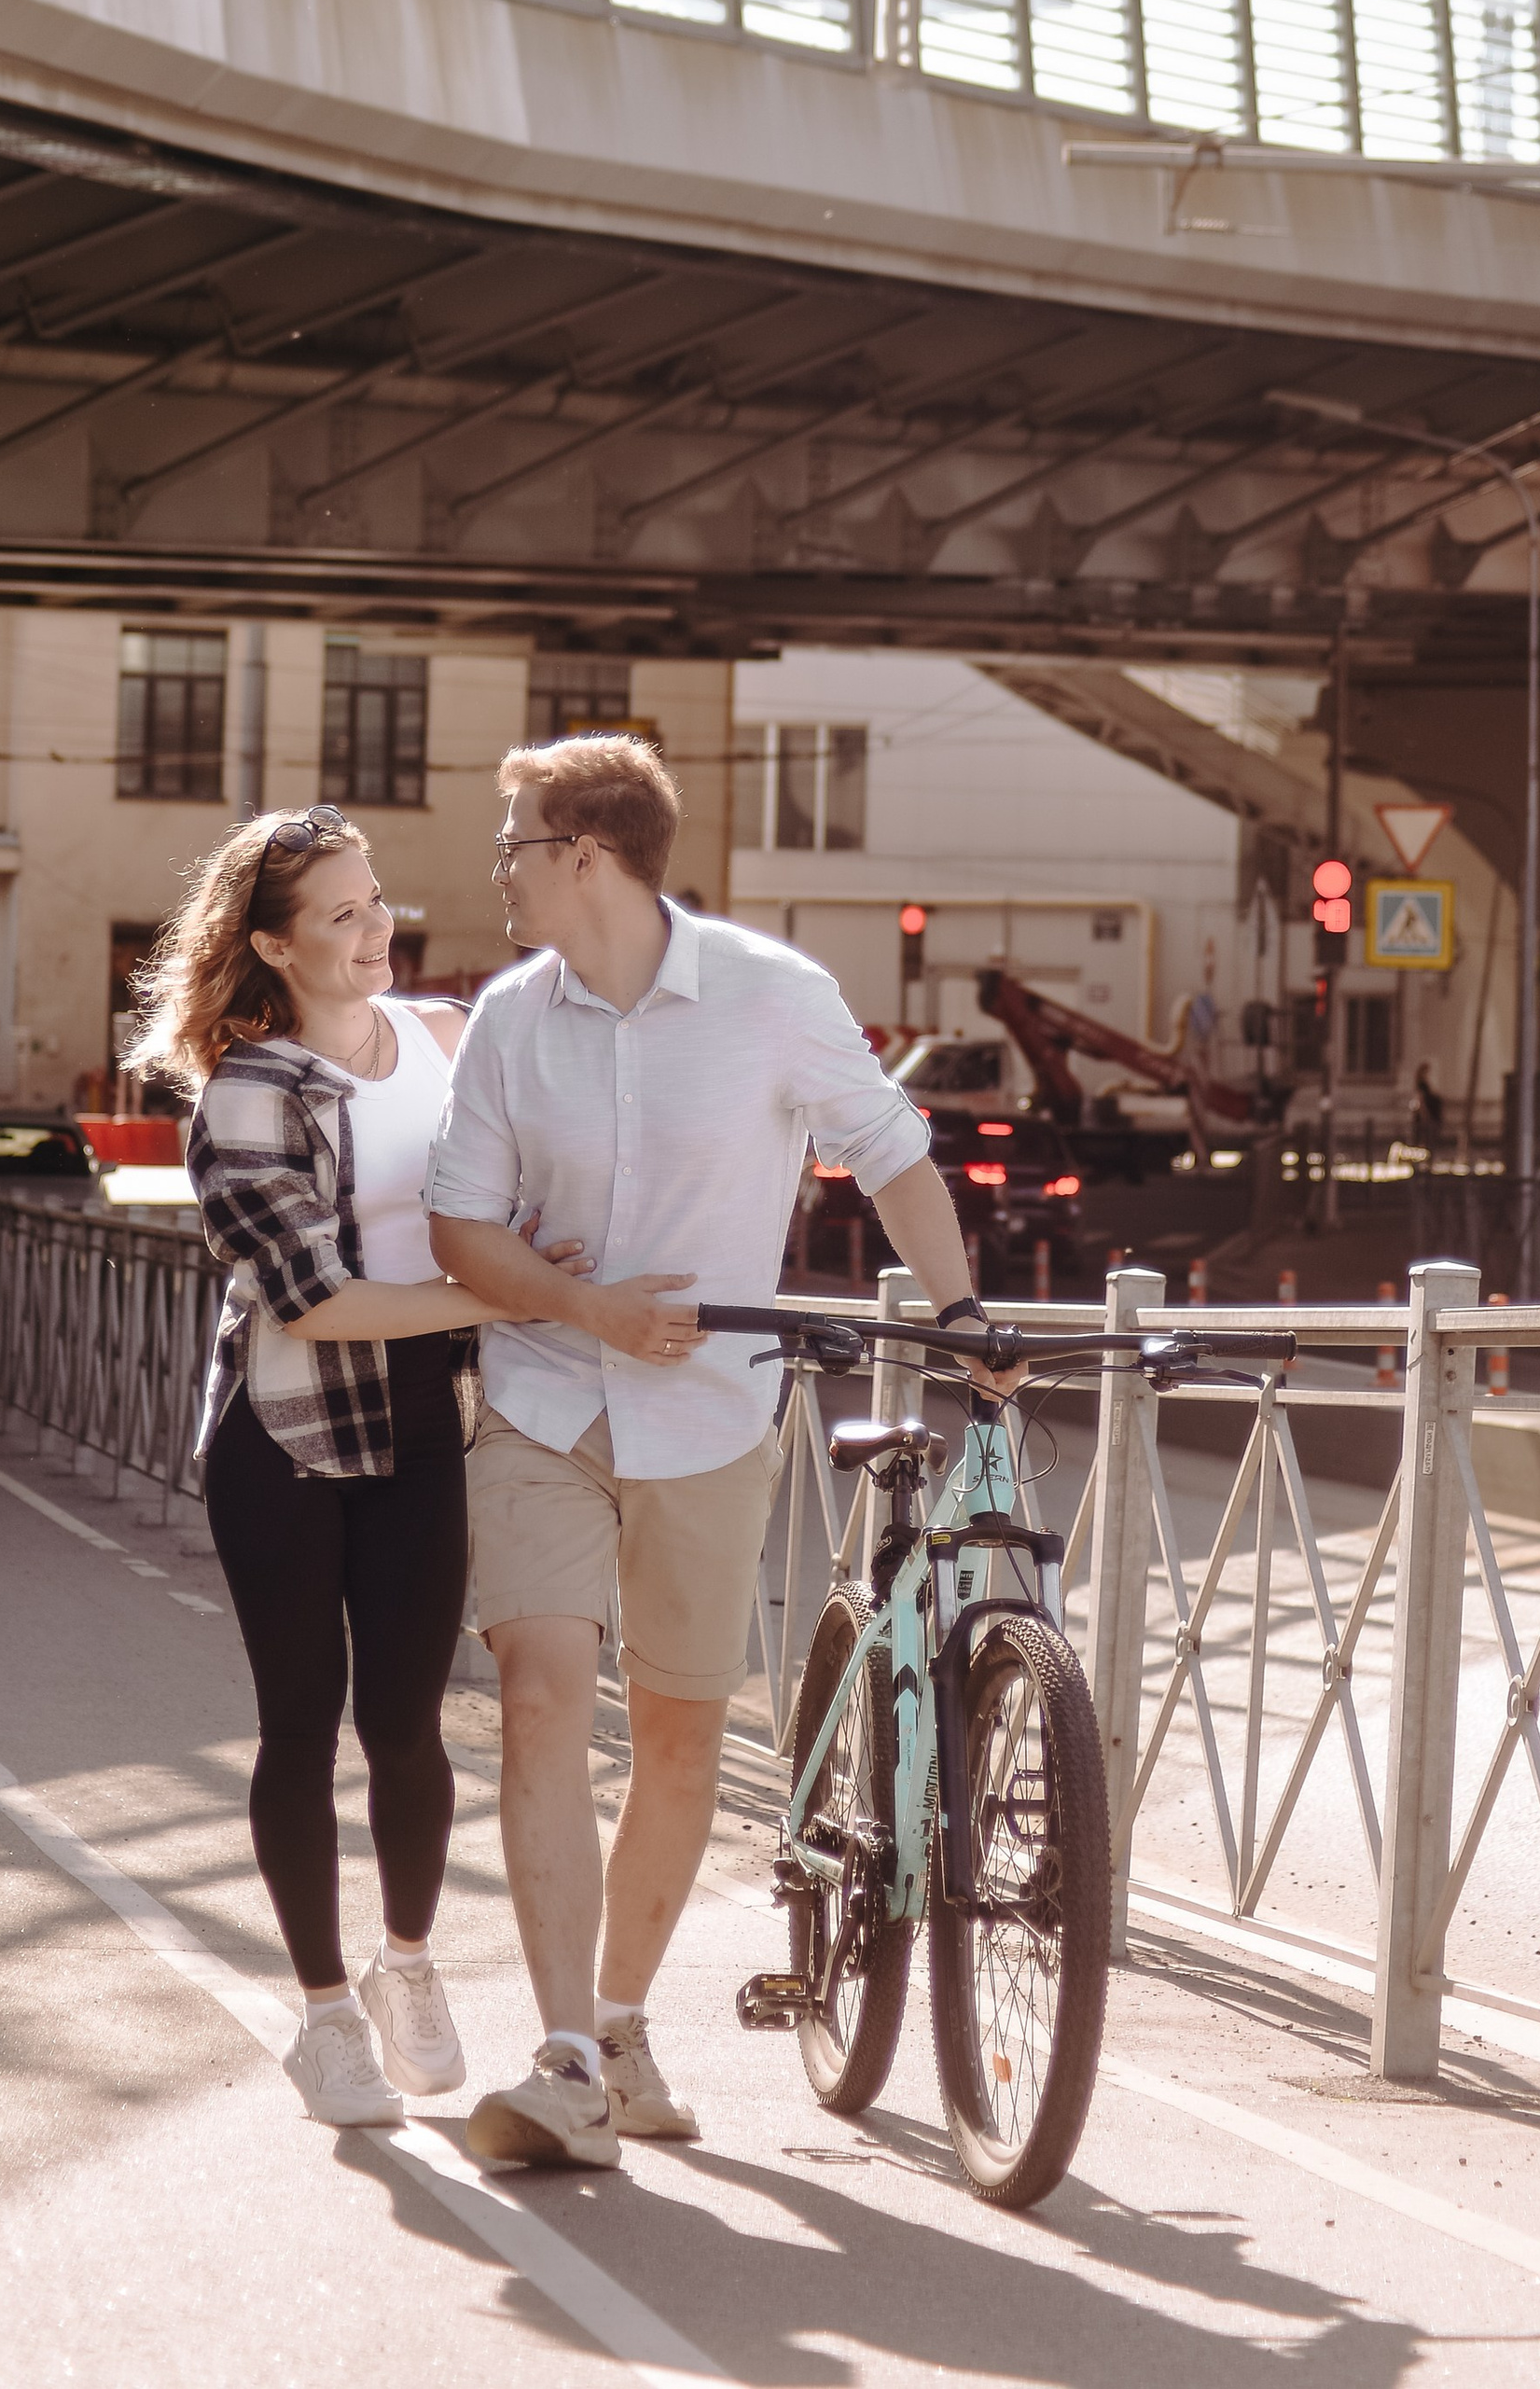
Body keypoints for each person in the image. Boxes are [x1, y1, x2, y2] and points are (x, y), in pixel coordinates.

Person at [425, 730, 1012, 2173]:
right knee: (542, 1696)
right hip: (544, 1402)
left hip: (709, 1419)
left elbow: (892, 1152)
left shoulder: (772, 994)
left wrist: (961, 1315)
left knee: (681, 1733)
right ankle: (566, 2057)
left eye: (514, 844)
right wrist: (585, 1308)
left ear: (585, 855)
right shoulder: (510, 1019)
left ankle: (621, 2026)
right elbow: (460, 1226)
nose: (498, 869)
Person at [133, 802, 583, 2131]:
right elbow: (316, 1302)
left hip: (421, 1415)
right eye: (342, 914)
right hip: (286, 1426)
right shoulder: (247, 1091)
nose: (377, 927)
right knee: (301, 1723)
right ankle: (327, 2016)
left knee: (409, 1724)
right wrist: (512, 1298)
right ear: (275, 946)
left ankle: (409, 1966)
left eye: (377, 899)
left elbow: (528, 1183)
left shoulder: (444, 1039)